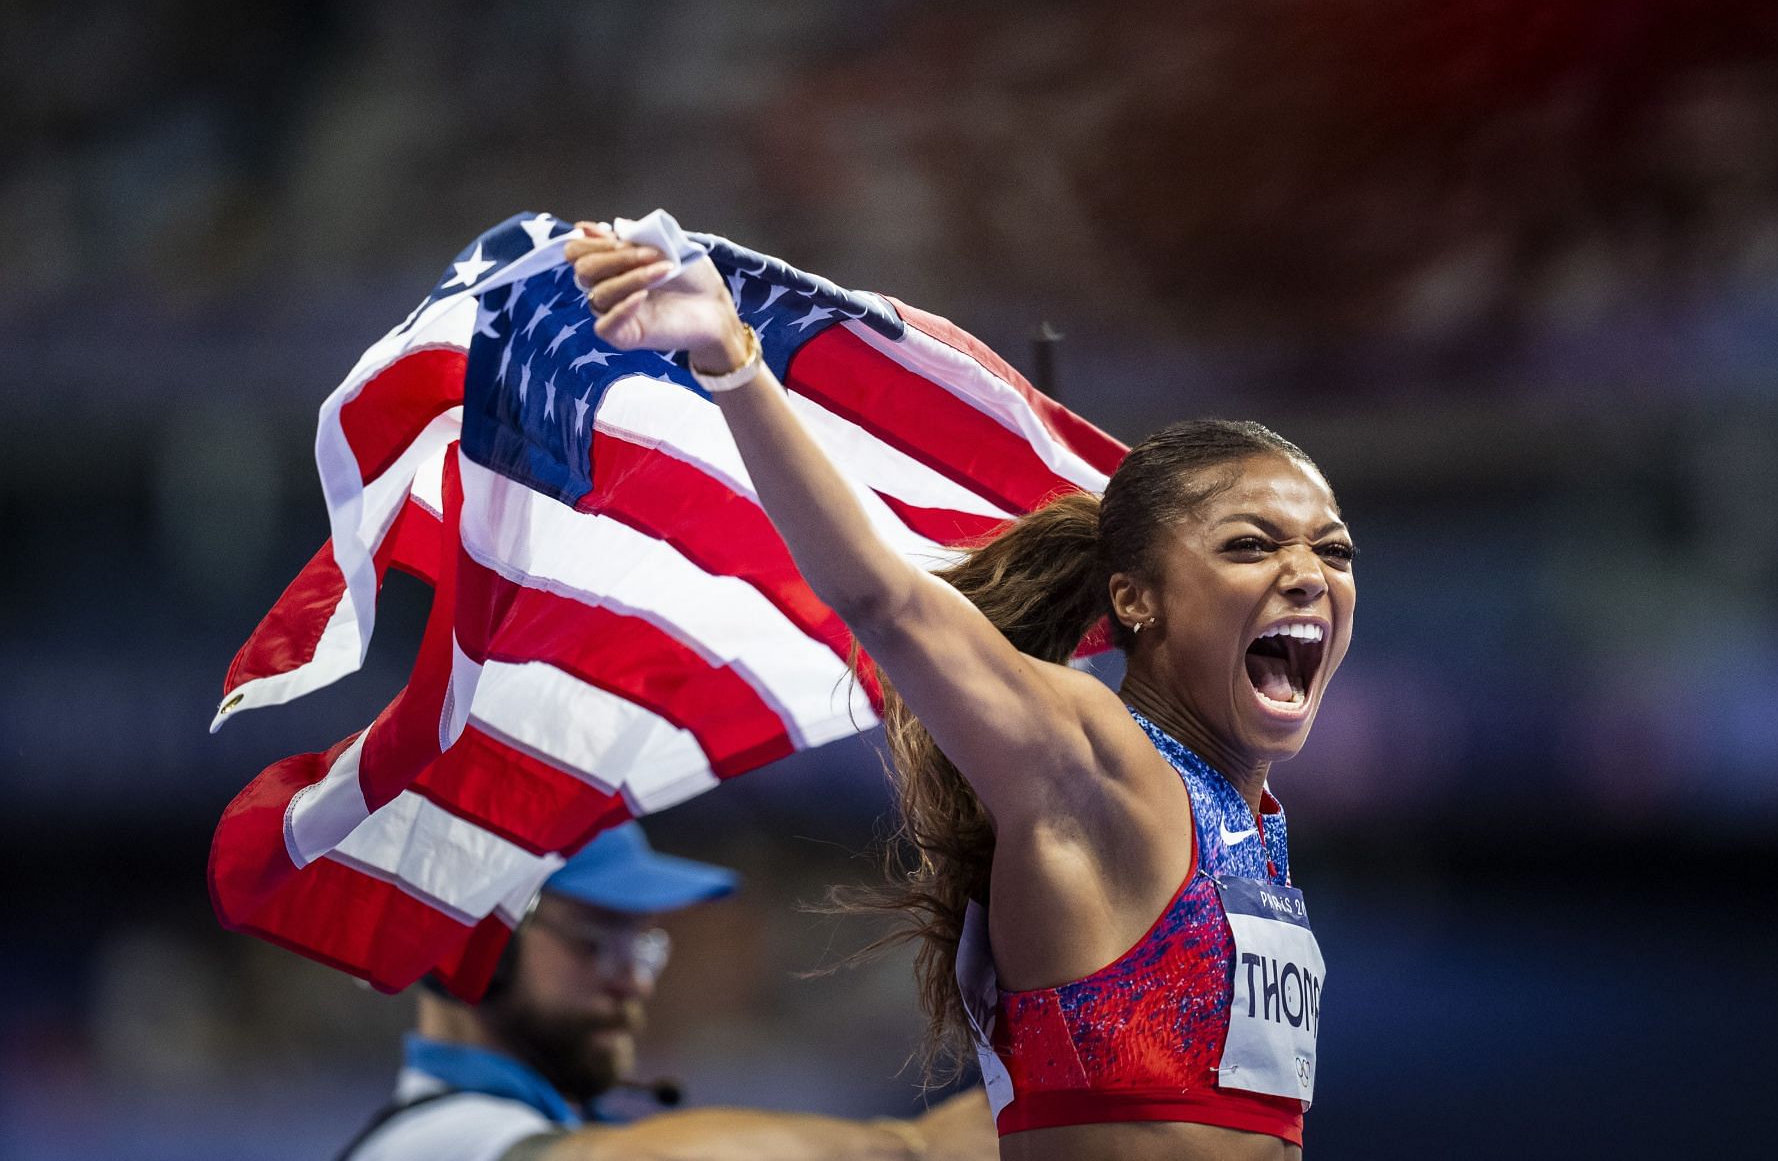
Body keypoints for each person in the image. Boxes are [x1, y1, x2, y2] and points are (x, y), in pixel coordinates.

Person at [566, 224, 1357, 1161]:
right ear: (1136, 598)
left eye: (1334, 549)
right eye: (1252, 544)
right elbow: (885, 598)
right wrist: (730, 358)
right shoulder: (1094, 757)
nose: (1310, 572)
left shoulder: (1251, 819)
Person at [337, 821, 995, 1161]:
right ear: (464, 948)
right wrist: (916, 1148)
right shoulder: (428, 1141)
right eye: (594, 941)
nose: (634, 976)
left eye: (642, 944)